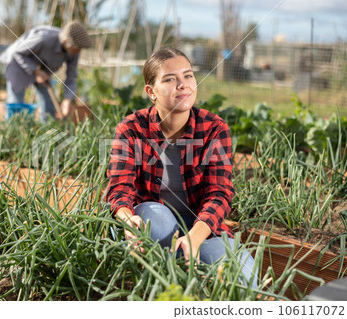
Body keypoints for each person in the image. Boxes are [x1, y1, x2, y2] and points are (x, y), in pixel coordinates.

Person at [106, 48, 257, 287]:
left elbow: (220, 194)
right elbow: (119, 189)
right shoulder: (131, 129)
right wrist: (126, 219)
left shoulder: (214, 128)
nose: (183, 85)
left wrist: (194, 239)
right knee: (156, 221)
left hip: (202, 229)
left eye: (188, 76)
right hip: (153, 226)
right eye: (169, 79)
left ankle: (174, 265)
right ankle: (170, 273)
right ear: (151, 92)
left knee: (246, 280)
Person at [0, 22, 92, 122]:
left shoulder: (74, 51)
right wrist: (36, 72)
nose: (78, 52)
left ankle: (48, 130)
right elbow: (18, 53)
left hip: (43, 71)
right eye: (76, 49)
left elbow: (71, 77)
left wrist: (68, 99)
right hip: (18, 64)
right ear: (65, 41)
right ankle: (15, 132)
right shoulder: (44, 37)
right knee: (16, 104)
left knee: (49, 105)